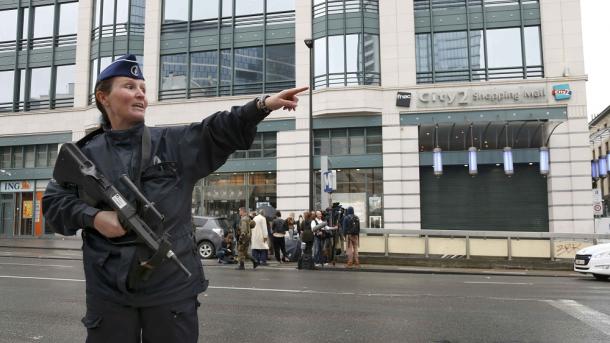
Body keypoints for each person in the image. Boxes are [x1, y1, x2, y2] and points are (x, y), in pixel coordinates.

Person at [42, 54, 306, 343]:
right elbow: (54, 204)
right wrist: (93, 217)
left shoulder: (172, 143)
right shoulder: (84, 155)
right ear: (103, 97)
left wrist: (261, 106)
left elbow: (217, 130)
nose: (140, 93)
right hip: (109, 289)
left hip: (172, 285)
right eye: (129, 86)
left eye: (142, 87)